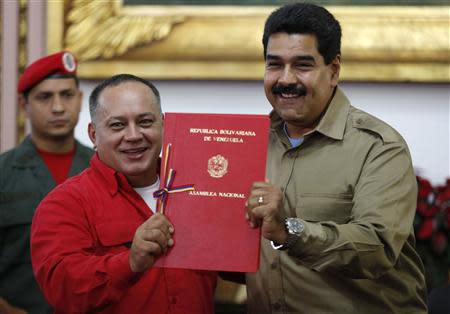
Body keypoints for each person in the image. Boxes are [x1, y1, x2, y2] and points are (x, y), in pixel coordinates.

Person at [245, 3, 427, 313]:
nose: (285, 79)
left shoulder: (379, 147)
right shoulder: (250, 144)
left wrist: (289, 231)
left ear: (334, 71)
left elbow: (376, 248)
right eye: (274, 64)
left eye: (302, 65)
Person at [30, 74, 217, 313]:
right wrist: (130, 262)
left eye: (145, 122)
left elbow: (240, 269)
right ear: (94, 135)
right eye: (118, 125)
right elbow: (62, 288)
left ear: (164, 124)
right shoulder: (64, 204)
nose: (133, 135)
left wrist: (267, 232)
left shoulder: (198, 190)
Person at [0, 51, 93, 313]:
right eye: (44, 97)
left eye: (67, 94)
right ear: (23, 105)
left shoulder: (106, 170)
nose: (58, 107)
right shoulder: (3, 174)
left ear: (80, 99)